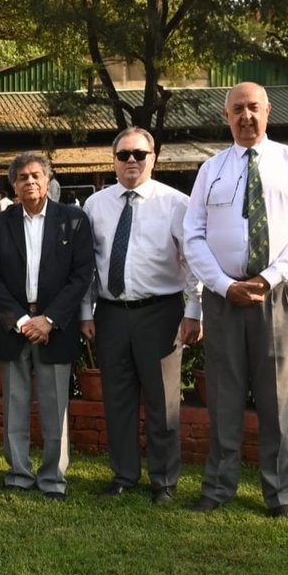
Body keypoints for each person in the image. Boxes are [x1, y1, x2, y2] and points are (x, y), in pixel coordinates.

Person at [183, 82, 288, 519]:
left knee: (275, 396)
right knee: (223, 396)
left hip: (275, 295)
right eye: (237, 110)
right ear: (226, 116)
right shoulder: (211, 169)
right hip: (224, 297)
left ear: (268, 112)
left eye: (253, 108)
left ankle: (279, 494)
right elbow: (193, 235)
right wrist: (223, 285)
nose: (246, 117)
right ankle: (218, 488)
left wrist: (266, 278)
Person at [80, 128, 202, 505]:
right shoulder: (95, 205)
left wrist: (195, 311)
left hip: (160, 312)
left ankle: (164, 481)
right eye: (123, 155)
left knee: (163, 402)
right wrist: (86, 312)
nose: (131, 160)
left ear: (153, 157)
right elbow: (86, 267)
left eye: (139, 154)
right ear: (113, 160)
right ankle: (123, 476)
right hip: (112, 314)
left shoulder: (176, 203)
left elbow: (194, 262)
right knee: (117, 399)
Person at [0, 152, 94, 500]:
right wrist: (20, 320)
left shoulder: (73, 220)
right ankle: (18, 473)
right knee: (14, 403)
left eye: (36, 176)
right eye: (22, 177)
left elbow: (81, 276)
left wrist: (49, 319)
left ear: (48, 181)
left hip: (55, 326)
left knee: (54, 405)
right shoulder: (1, 224)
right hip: (13, 324)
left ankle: (52, 478)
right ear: (13, 186)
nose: (29, 182)